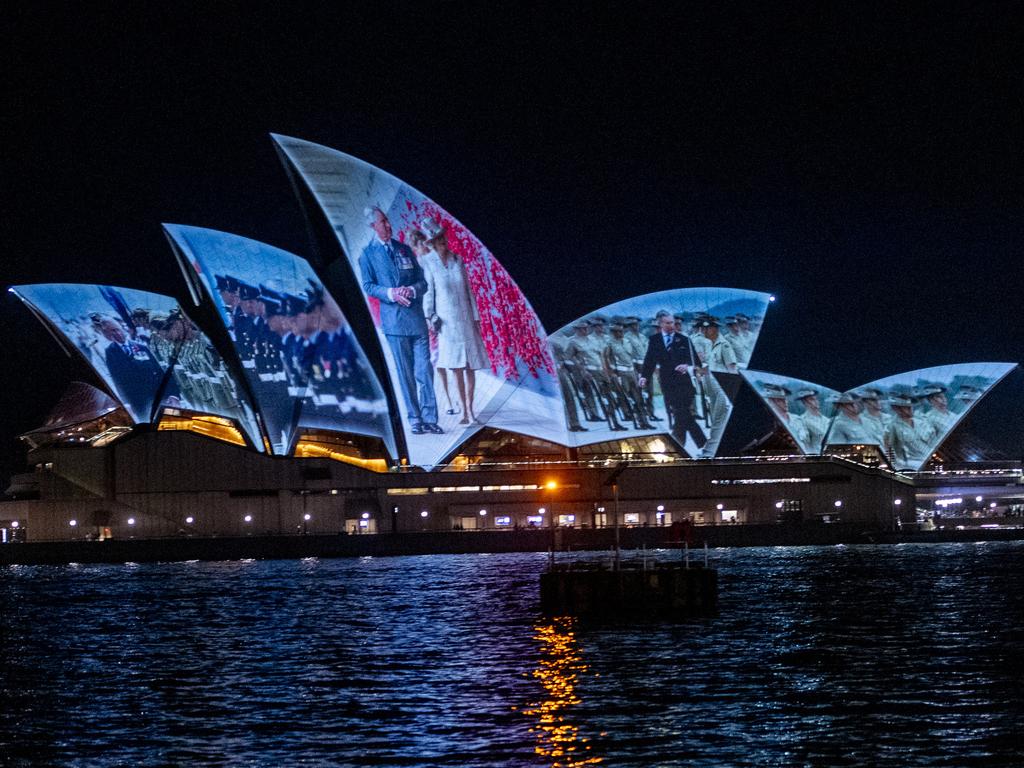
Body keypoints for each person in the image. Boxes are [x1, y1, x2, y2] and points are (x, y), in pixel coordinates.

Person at [359, 206, 441, 435]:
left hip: (416, 321)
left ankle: (430, 418)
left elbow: (422, 282)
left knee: (424, 371)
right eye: (383, 222)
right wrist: (391, 293)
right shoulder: (367, 255)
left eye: (387, 221)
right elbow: (368, 286)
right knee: (405, 374)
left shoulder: (404, 249)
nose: (388, 225)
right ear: (373, 226)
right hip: (394, 324)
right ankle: (415, 419)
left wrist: (411, 291)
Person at [419, 217, 489, 425]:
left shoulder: (458, 260)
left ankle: (470, 408)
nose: (442, 242)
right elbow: (429, 292)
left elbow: (469, 292)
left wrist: (476, 317)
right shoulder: (428, 263)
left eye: (443, 237)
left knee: (470, 366)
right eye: (437, 239)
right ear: (431, 243)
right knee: (455, 367)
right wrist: (430, 316)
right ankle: (462, 411)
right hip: (447, 323)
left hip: (466, 319)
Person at [639, 310, 706, 451]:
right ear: (661, 323)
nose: (672, 325)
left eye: (673, 323)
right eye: (668, 323)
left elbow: (696, 361)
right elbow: (649, 361)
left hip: (685, 383)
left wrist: (687, 366)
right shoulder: (654, 340)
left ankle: (678, 446)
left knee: (680, 413)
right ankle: (701, 444)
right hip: (668, 384)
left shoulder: (684, 339)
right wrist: (644, 376)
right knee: (682, 414)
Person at [93, 314, 176, 420]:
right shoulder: (110, 353)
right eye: (112, 331)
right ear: (107, 335)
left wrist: (172, 393)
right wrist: (126, 403)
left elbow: (160, 372)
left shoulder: (141, 347)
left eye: (117, 329)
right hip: (139, 402)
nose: (117, 333)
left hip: (159, 395)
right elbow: (117, 380)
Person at [886, 394, 931, 469]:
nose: (911, 409)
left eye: (911, 406)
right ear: (896, 409)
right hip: (910, 464)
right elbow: (888, 448)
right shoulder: (892, 426)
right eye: (906, 407)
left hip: (929, 460)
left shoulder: (920, 422)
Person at [793, 388, 829, 453]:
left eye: (816, 399)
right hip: (816, 456)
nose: (816, 401)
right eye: (812, 399)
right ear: (805, 402)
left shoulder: (826, 420)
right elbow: (804, 442)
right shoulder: (801, 420)